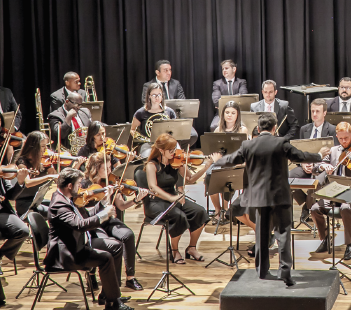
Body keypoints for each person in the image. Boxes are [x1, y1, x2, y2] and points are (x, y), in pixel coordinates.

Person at [213, 113, 329, 286]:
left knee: (261, 235)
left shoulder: (248, 144)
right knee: (283, 234)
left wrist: (218, 160)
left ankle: (262, 271)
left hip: (259, 199)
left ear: (258, 129)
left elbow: (231, 160)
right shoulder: (281, 143)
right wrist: (319, 155)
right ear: (275, 128)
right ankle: (285, 272)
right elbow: (301, 156)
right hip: (280, 197)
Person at [44, 168, 132, 310]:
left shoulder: (67, 198)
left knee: (115, 247)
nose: (81, 187)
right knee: (106, 258)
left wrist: (103, 203)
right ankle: (113, 302)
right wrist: (104, 215)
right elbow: (80, 225)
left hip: (79, 243)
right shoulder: (59, 204)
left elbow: (85, 217)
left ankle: (109, 295)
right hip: (68, 254)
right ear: (70, 186)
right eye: (79, 184)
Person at [143, 133, 219, 264]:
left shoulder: (177, 163)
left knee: (199, 212)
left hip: (174, 197)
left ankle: (191, 248)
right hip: (155, 201)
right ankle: (174, 251)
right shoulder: (152, 165)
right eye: (171, 150)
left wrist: (207, 166)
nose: (174, 153)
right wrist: (172, 198)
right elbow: (152, 187)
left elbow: (190, 179)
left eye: (174, 149)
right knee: (179, 216)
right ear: (161, 150)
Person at [82, 153, 150, 291]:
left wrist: (137, 199)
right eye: (105, 168)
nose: (109, 171)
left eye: (109, 167)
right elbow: (86, 214)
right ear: (95, 169)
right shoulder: (85, 185)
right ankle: (91, 274)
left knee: (128, 235)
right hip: (94, 224)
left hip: (108, 221)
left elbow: (121, 206)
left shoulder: (111, 182)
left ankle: (130, 278)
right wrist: (103, 202)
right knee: (111, 244)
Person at [310, 122, 351, 260]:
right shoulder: (333, 150)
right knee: (314, 209)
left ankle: (349, 245)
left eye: (346, 138)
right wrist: (323, 166)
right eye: (341, 138)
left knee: (346, 208)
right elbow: (315, 168)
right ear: (337, 137)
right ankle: (325, 239)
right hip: (333, 192)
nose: (344, 142)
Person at [14, 131, 84, 218]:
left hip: (38, 200)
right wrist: (48, 177)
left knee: (66, 207)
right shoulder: (22, 162)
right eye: (43, 146)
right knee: (56, 212)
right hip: (24, 203)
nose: (45, 149)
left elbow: (60, 180)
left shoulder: (44, 161)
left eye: (46, 146)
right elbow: (27, 183)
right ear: (34, 147)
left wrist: (75, 166)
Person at [289, 98, 337, 221]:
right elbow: (300, 151)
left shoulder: (332, 129)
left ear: (324, 113)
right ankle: (307, 203)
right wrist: (303, 163)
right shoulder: (304, 129)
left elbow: (333, 155)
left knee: (315, 180)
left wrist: (317, 164)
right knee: (288, 178)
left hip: (322, 168)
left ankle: (308, 208)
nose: (314, 114)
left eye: (317, 111)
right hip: (306, 165)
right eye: (312, 111)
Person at [207, 100, 249, 224]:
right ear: (223, 114)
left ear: (237, 115)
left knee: (227, 178)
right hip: (220, 162)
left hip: (235, 163)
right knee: (209, 176)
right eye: (227, 112)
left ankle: (225, 208)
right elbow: (213, 151)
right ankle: (217, 209)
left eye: (232, 113)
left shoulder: (243, 130)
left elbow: (245, 151)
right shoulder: (217, 130)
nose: (229, 115)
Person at [131, 82, 197, 155]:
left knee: (178, 156)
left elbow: (175, 130)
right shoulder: (140, 112)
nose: (157, 97)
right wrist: (144, 139)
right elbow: (132, 130)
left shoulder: (169, 111)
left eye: (159, 94)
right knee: (147, 157)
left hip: (167, 143)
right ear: (149, 96)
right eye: (154, 95)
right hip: (149, 144)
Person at [0, 165, 29, 278]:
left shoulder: (1, 172)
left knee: (23, 231)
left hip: (2, 212)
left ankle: (0, 254)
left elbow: (11, 196)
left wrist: (20, 182)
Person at [210, 59, 248, 131]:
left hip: (238, 112)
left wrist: (223, 99)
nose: (224, 70)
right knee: (214, 126)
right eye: (223, 69)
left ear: (234, 69)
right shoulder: (217, 83)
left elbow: (243, 96)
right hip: (222, 113)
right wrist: (237, 97)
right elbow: (216, 101)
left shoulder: (241, 82)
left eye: (226, 68)